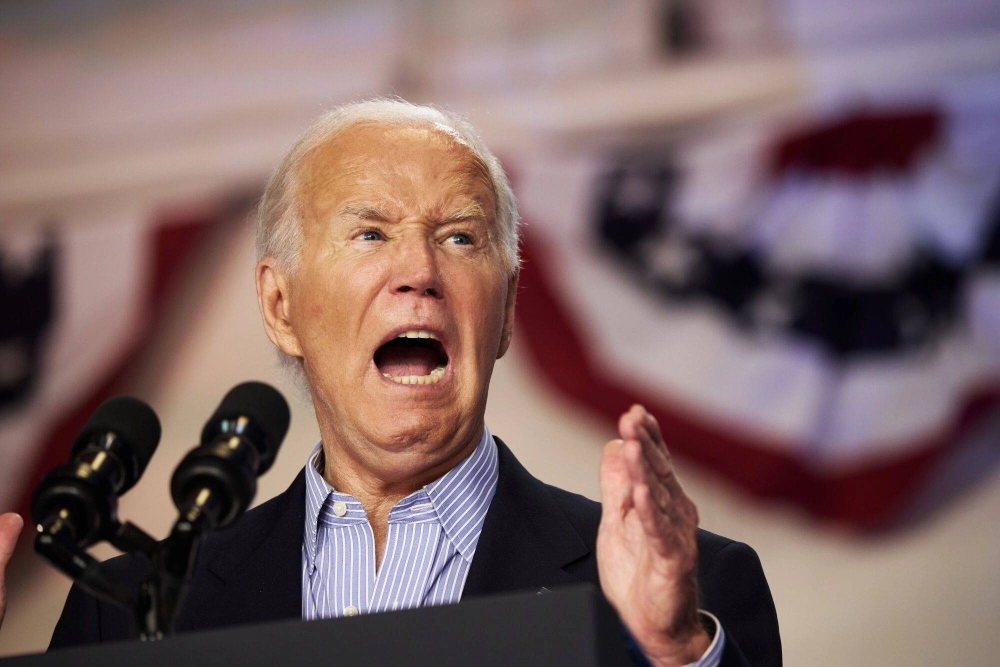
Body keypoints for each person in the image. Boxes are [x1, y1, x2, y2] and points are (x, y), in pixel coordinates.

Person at [0, 100, 780, 666]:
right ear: (281, 306)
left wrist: (669, 653)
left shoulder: (694, 590)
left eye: (460, 237)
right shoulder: (128, 608)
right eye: (369, 232)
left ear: (505, 310)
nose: (419, 272)